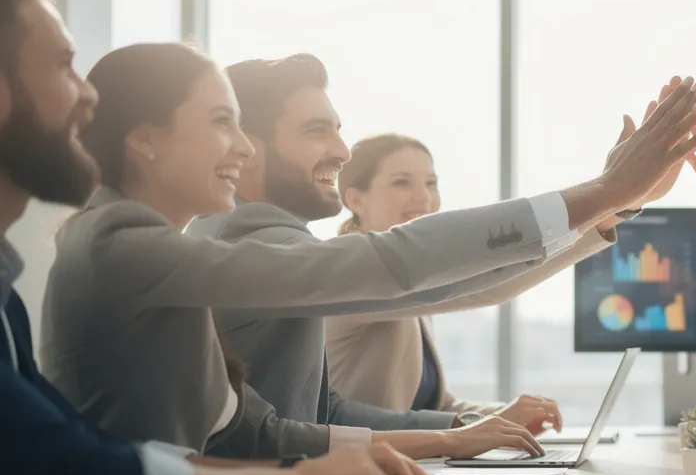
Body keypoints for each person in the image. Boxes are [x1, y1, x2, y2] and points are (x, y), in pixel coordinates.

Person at [0, 0, 478, 475]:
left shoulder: (30, 288)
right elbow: (79, 473)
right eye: (66, 65)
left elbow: (119, 451)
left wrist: (424, 446)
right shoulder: (127, 244)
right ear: (148, 139)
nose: (86, 99)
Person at [39, 40, 696, 462]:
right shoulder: (154, 250)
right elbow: (404, 269)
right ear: (147, 139)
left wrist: (456, 436)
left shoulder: (172, 251)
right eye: (223, 125)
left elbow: (280, 426)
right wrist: (601, 194)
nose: (237, 148)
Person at [186, 56, 631, 437]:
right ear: (244, 146)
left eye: (430, 184)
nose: (342, 151)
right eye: (317, 130)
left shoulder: (265, 241)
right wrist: (601, 198)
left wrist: (468, 430)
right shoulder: (257, 245)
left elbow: (327, 414)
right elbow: (436, 268)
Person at [325, 84, 685, 419]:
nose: (424, 197)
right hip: (365, 470)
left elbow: (436, 404)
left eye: (431, 183)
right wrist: (611, 201)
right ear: (354, 199)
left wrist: (502, 416)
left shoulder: (414, 274)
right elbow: (485, 285)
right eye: (401, 182)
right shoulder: (351, 269)